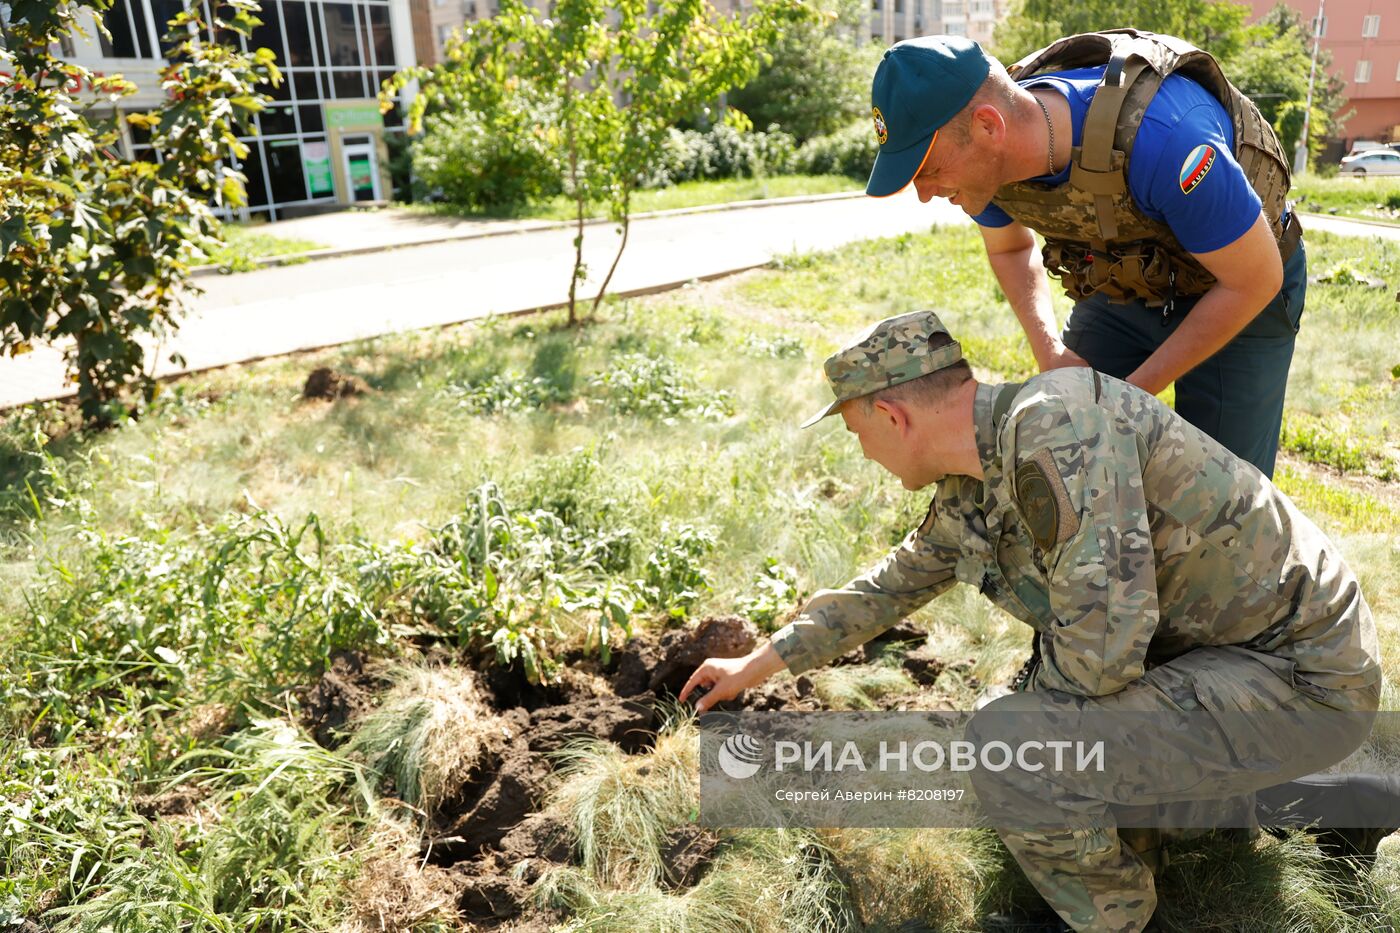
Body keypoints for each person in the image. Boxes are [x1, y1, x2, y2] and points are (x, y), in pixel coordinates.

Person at [680, 310, 1385, 933]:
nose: (861, 452)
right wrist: (756, 665)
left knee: (1011, 742)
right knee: (1033, 727)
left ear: (892, 415)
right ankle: (1336, 801)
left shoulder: (1058, 428)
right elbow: (883, 590)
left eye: (857, 429)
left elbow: (1102, 655)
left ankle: (1118, 918)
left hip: (1304, 674)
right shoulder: (975, 478)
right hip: (1231, 656)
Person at [865, 32, 1305, 478]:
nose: (924, 194)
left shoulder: (1164, 140)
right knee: (1066, 449)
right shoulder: (989, 167)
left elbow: (1253, 279)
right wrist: (1051, 352)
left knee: (1223, 495)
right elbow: (1012, 249)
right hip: (1126, 284)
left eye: (930, 170)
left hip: (1240, 284)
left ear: (988, 126)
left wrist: (1132, 396)